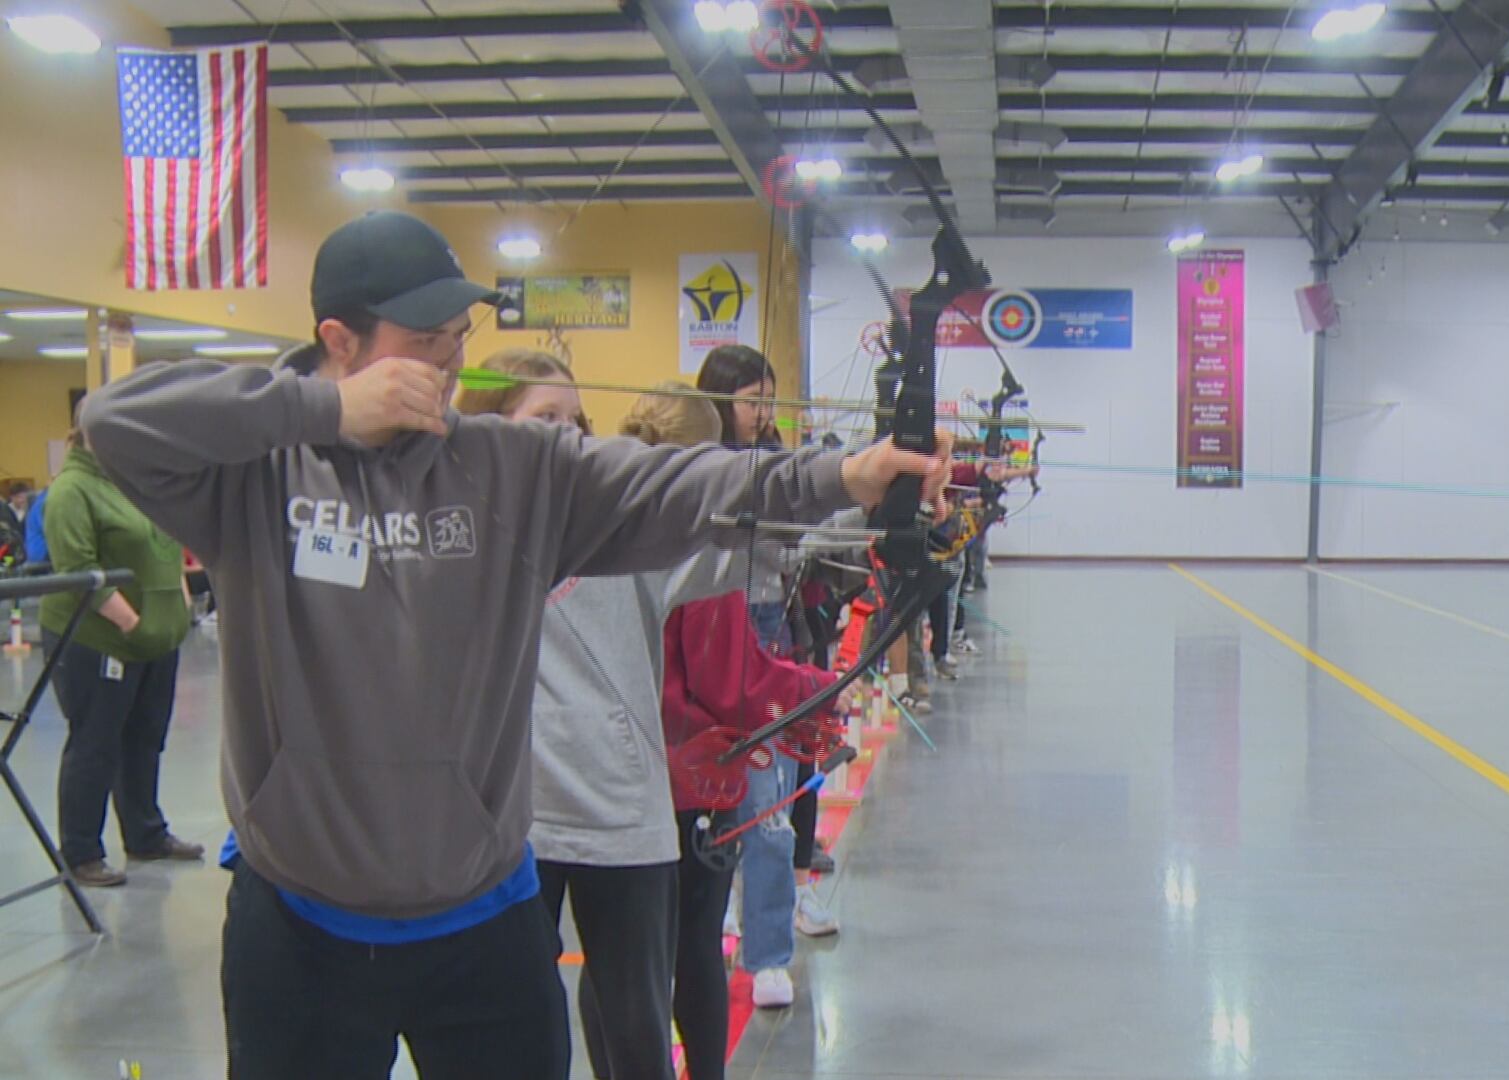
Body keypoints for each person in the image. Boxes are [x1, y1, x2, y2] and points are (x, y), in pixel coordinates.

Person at [78, 209, 950, 1080]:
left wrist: (847, 475)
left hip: (480, 921)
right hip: (299, 923)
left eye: (458, 335)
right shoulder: (252, 476)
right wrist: (324, 408)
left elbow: (674, 483)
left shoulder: (512, 468)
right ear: (338, 342)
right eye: (425, 340)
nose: (451, 360)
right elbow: (116, 423)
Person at [458, 353, 746, 1080]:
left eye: (574, 421)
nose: (563, 437)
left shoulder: (619, 524)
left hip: (619, 813)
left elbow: (724, 554)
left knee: (635, 1029)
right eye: (541, 420)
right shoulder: (455, 529)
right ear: (490, 428)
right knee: (512, 1026)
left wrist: (852, 505)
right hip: (505, 816)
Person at [695, 344, 839, 1009]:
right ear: (721, 401)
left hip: (770, 632)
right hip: (707, 635)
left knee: (771, 806)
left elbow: (808, 528)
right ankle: (719, 921)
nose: (762, 413)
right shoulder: (698, 470)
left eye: (768, 400)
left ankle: (769, 954)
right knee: (707, 802)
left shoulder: (777, 466)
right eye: (751, 400)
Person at [39, 426, 200, 887]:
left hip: (155, 640)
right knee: (96, 743)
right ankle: (81, 852)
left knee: (145, 737)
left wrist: (179, 603)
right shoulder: (72, 490)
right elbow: (79, 571)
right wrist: (134, 625)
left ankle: (146, 834)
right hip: (97, 638)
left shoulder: (138, 483)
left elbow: (166, 549)